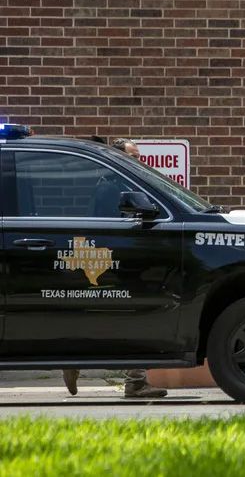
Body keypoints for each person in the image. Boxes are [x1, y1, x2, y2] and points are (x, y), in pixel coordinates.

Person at [63, 137, 169, 399]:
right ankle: (135, 381)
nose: (138, 162)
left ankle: (75, 358)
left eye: (138, 157)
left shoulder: (114, 184)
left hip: (116, 260)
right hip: (119, 262)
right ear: (119, 157)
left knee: (114, 319)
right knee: (136, 319)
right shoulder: (114, 187)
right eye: (132, 157)